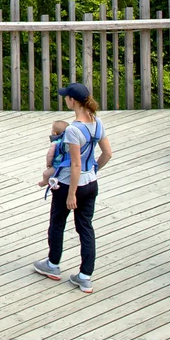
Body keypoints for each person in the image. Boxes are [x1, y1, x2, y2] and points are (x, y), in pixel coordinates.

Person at [32, 82, 112, 294]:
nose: (65, 99)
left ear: (72, 101)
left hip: (69, 184)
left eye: (66, 97)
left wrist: (71, 194)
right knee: (85, 228)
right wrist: (94, 170)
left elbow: (75, 164)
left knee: (57, 223)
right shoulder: (98, 123)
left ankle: (53, 264)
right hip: (91, 183)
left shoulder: (73, 130)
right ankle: (85, 276)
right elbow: (107, 154)